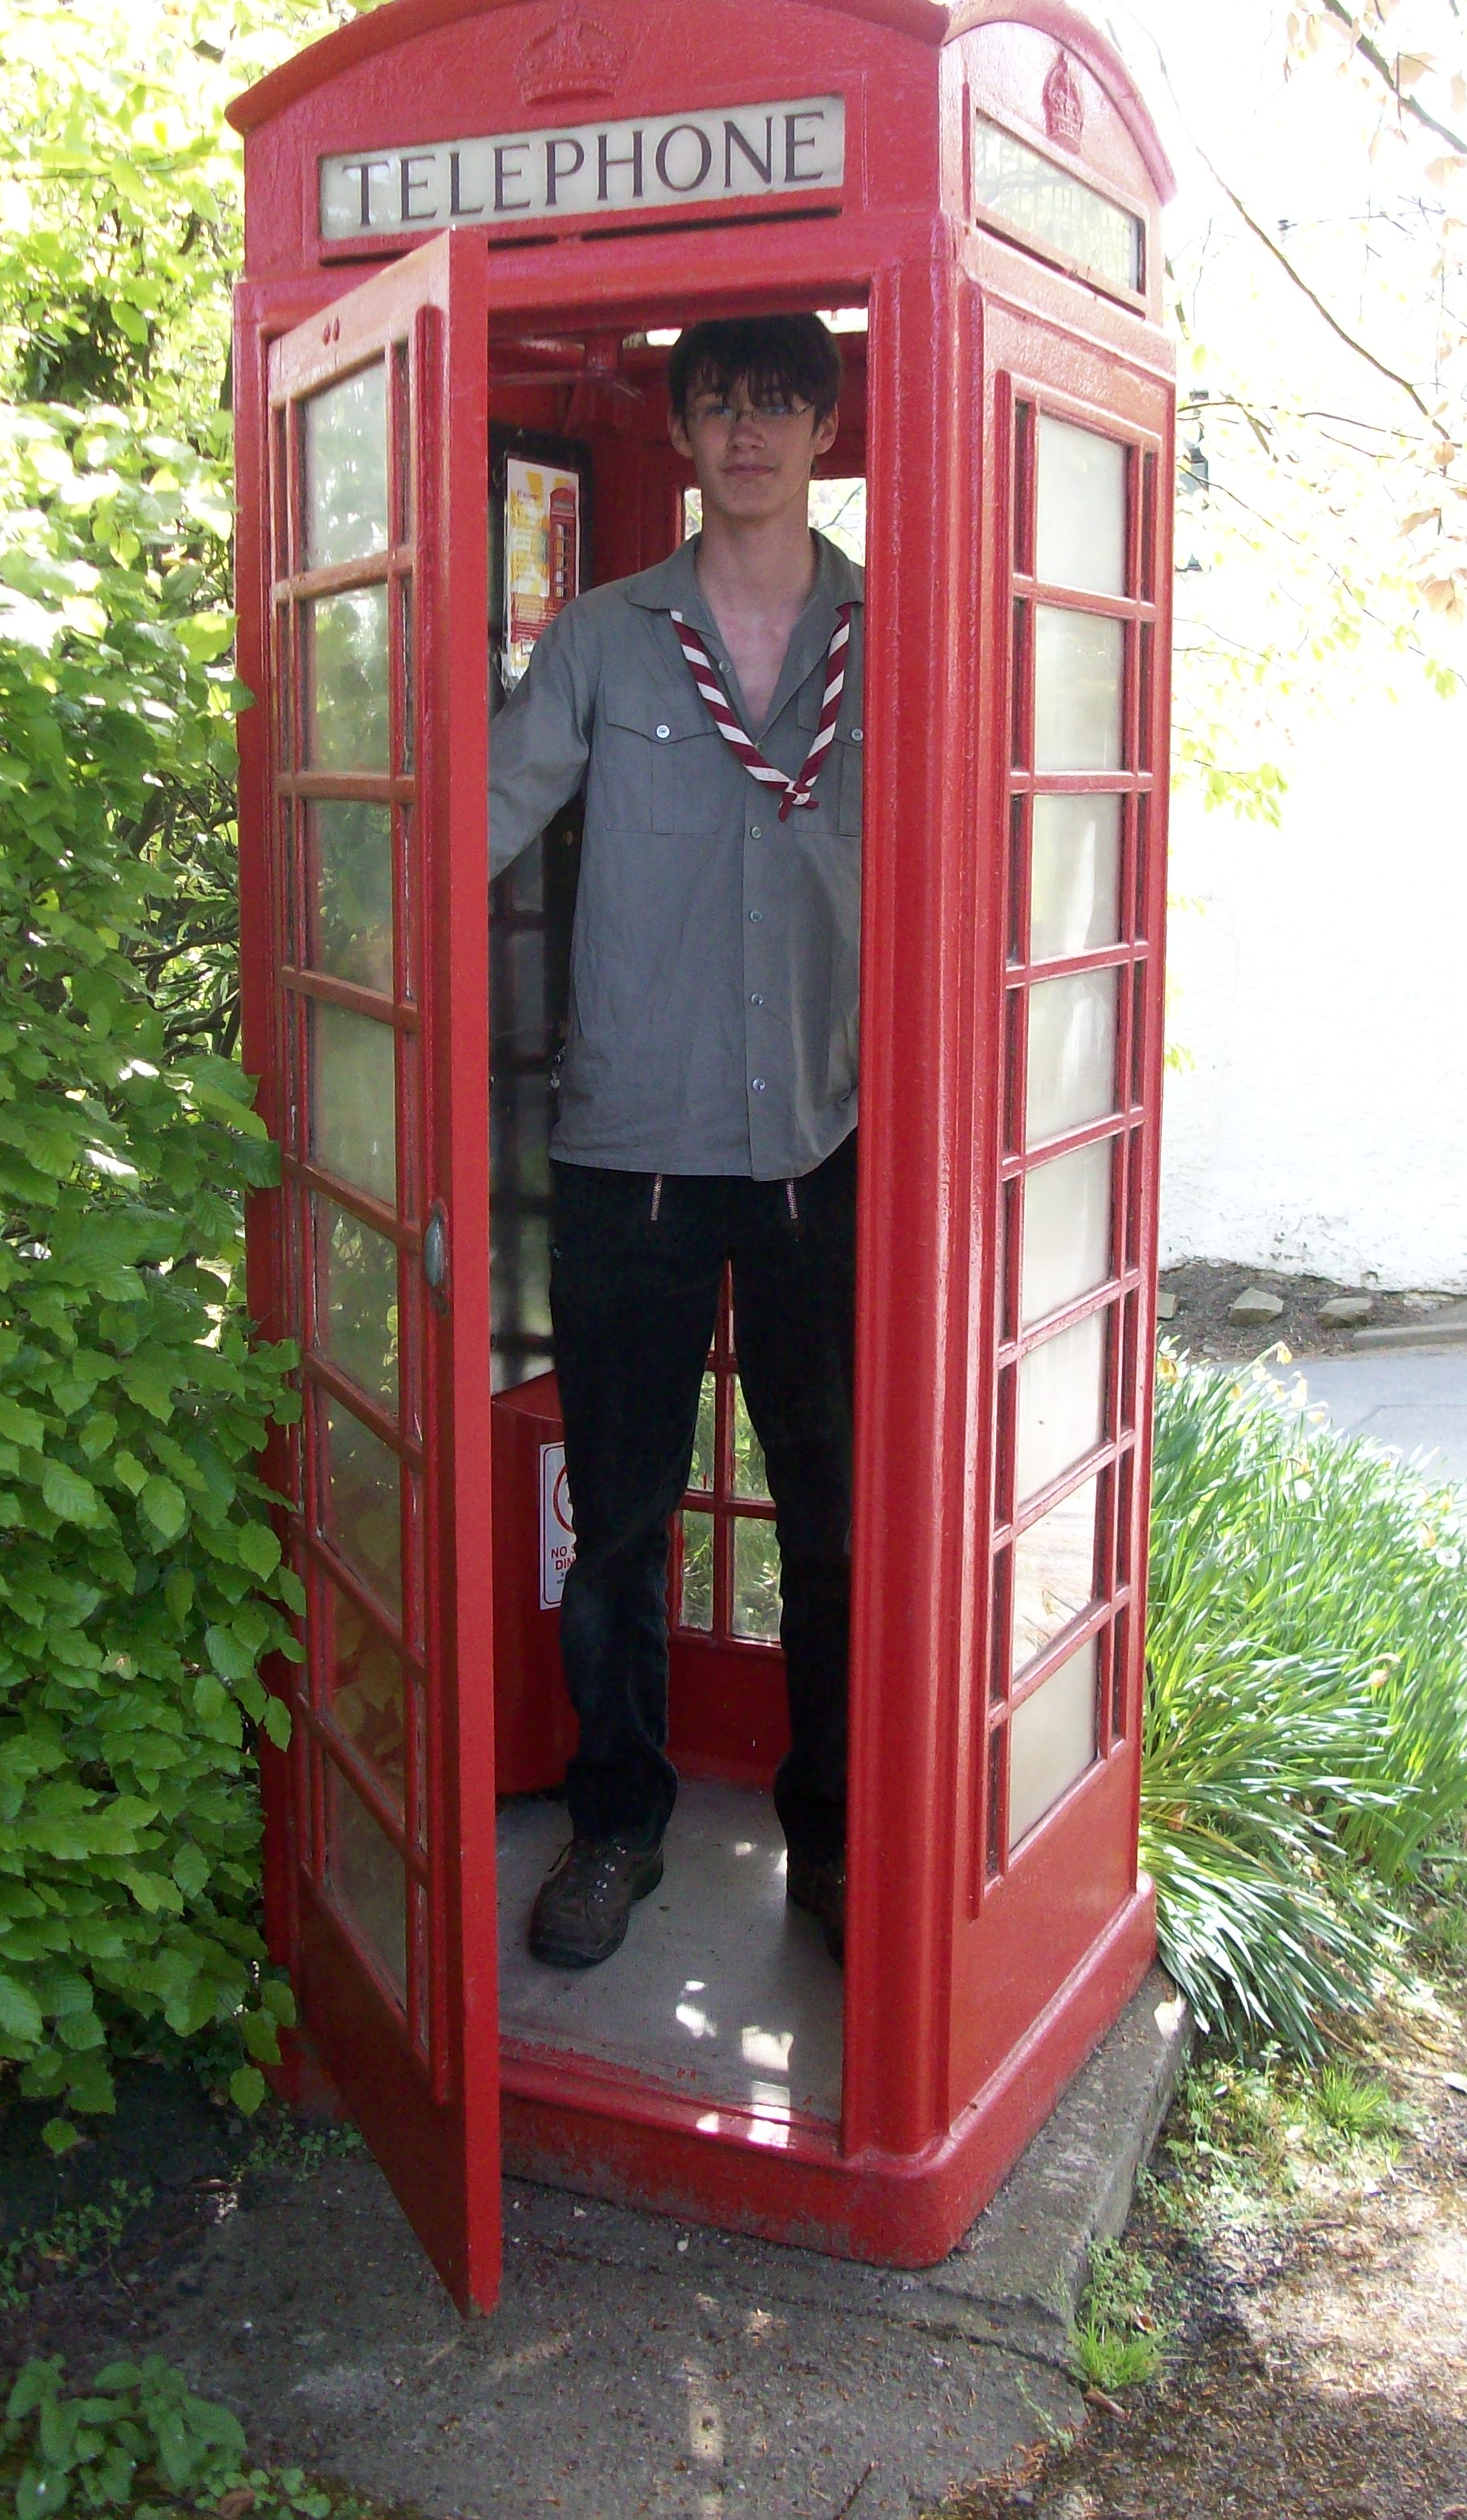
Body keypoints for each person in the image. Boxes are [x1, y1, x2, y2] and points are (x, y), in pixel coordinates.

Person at [487, 312, 862, 1971]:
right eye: (719, 406)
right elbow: (480, 816)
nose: (748, 434)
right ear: (683, 432)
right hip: (629, 1149)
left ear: (826, 428)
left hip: (822, 1150)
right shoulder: (604, 640)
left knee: (833, 1520)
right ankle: (617, 1824)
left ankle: (835, 1833)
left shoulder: (891, 635)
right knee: (623, 1518)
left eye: (778, 405)